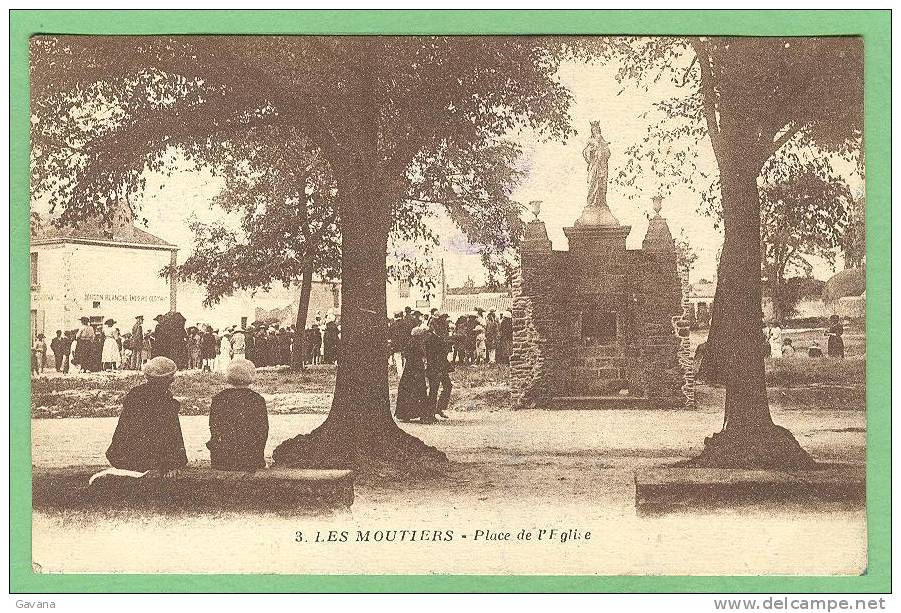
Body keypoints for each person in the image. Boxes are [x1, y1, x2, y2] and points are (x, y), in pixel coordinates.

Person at [105, 356, 188, 475]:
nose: (173, 380)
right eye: (171, 377)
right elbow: (172, 436)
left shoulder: (135, 395)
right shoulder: (166, 402)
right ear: (166, 380)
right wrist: (175, 462)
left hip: (122, 458)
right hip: (151, 460)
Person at [207, 359, 268, 470]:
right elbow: (262, 432)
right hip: (250, 459)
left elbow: (214, 428)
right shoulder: (257, 400)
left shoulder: (218, 399)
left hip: (222, 459)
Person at [395, 326, 430, 423]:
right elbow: (414, 356)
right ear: (419, 335)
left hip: (410, 370)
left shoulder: (411, 342)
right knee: (419, 391)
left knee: (409, 391)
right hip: (415, 370)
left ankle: (406, 414)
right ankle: (421, 415)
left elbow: (407, 355)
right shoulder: (416, 343)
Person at [425, 316, 453, 420]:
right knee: (434, 390)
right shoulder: (431, 339)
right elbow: (433, 356)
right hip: (435, 368)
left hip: (441, 367)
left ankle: (438, 408)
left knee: (447, 386)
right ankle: (431, 413)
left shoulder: (437, 337)